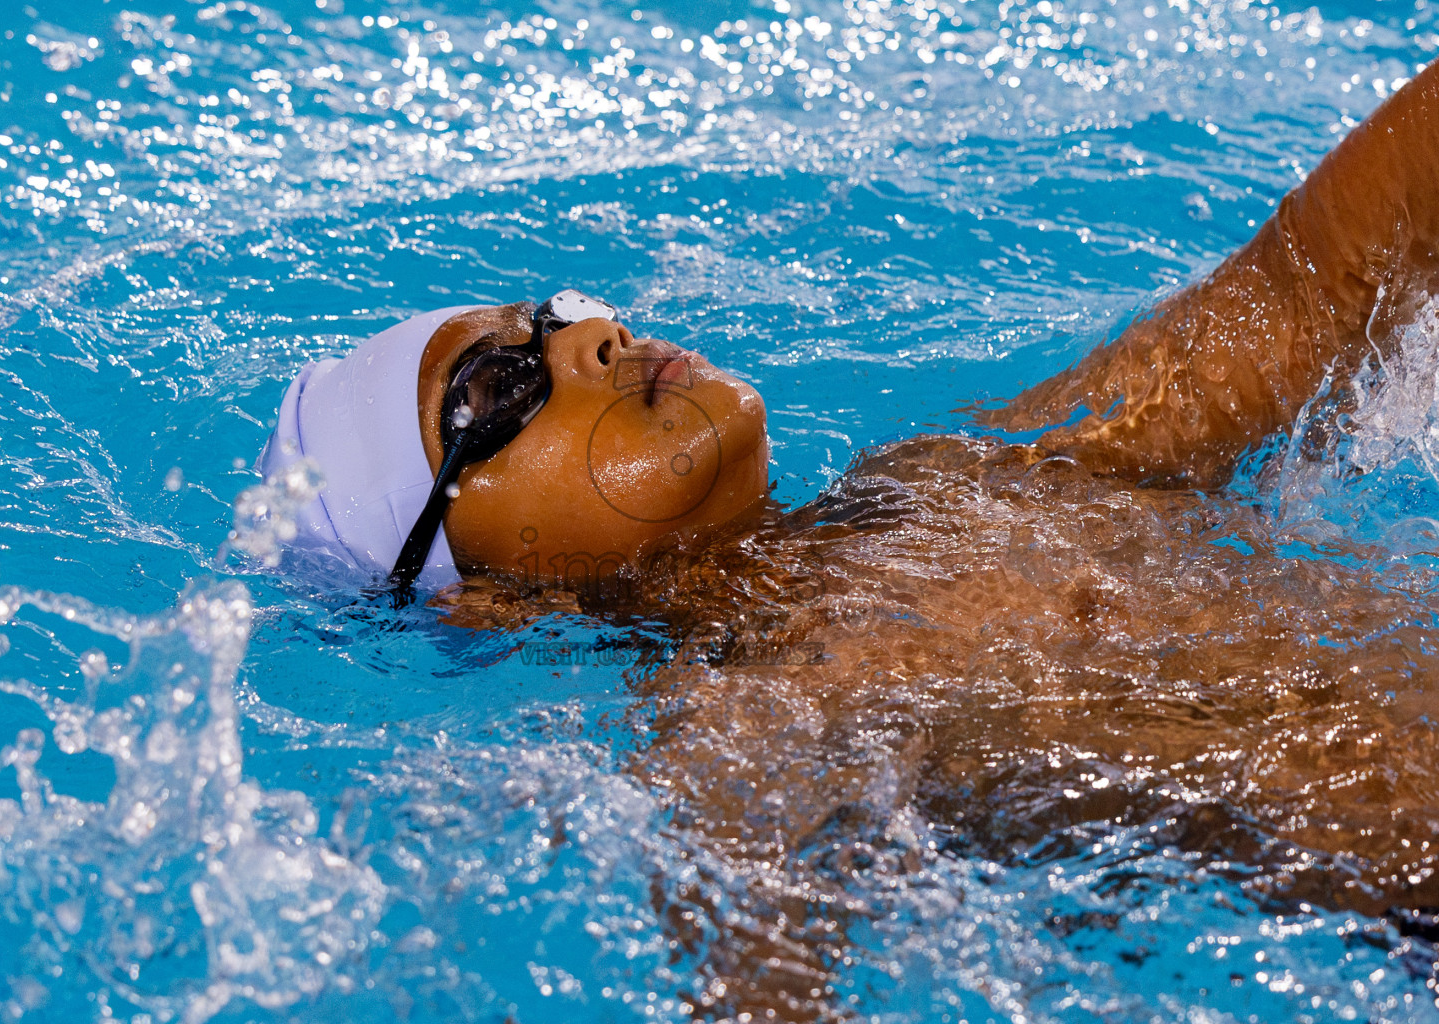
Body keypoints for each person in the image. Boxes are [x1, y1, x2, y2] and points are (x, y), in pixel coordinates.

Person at [258, 63, 1439, 1022]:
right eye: (499, 387)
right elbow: (761, 987)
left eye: (553, 315)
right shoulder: (734, 730)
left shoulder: (954, 476)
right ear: (495, 602)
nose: (589, 339)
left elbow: (1304, 297)